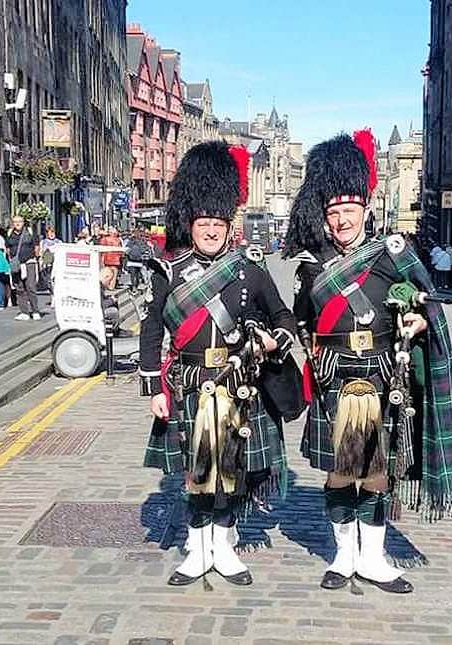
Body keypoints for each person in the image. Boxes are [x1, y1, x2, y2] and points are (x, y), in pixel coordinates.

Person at [284, 130, 452, 594]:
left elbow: (429, 304)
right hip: (335, 378)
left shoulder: (393, 253)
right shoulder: (312, 266)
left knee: (378, 472)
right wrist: (310, 353)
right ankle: (344, 553)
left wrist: (419, 324)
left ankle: (375, 557)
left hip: (383, 376)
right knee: (341, 472)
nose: (341, 220)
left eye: (349, 211)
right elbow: (303, 319)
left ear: (366, 209)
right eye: (334, 213)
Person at [139, 141, 304, 587]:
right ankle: (196, 549)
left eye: (218, 223)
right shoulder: (169, 272)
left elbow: (284, 316)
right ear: (190, 224)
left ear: (228, 225)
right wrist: (155, 388)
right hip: (190, 385)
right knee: (196, 475)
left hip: (236, 385)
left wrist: (275, 341)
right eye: (203, 223)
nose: (210, 230)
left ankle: (226, 547)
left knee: (229, 474)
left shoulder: (249, 268)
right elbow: (152, 330)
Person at [5, 215, 41, 321]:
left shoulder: (29, 231)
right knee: (19, 287)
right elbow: (7, 247)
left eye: (19, 222)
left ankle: (35, 311)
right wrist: (11, 259)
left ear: (23, 222)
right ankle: (24, 312)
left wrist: (35, 257)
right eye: (15, 222)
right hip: (17, 265)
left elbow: (36, 245)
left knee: (31, 287)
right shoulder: (9, 233)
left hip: (29, 262)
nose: (17, 224)